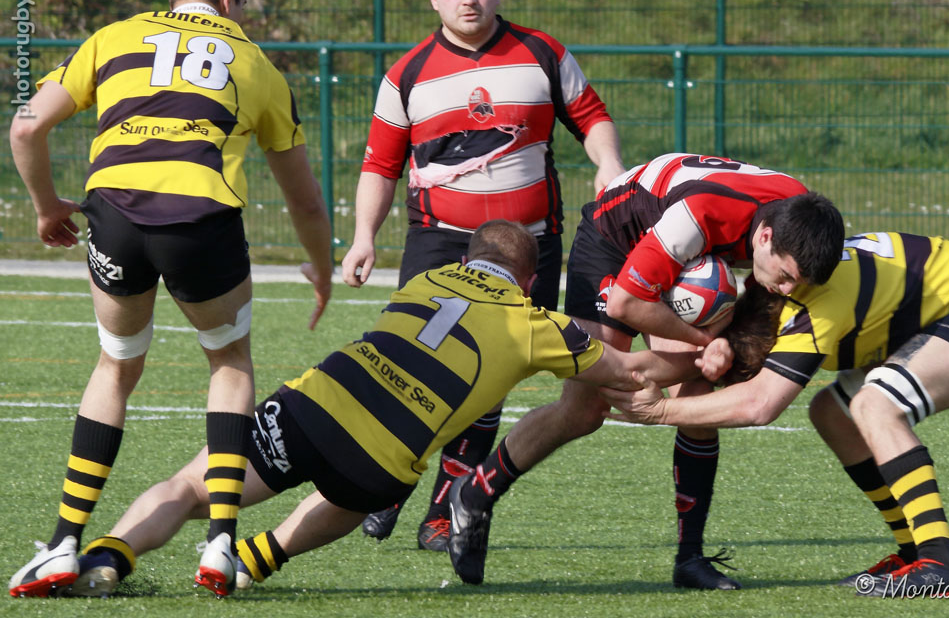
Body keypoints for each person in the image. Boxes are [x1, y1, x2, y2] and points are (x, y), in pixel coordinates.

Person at [52, 220, 720, 597]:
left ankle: (110, 553)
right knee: (352, 494)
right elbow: (630, 372)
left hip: (318, 403)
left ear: (470, 259)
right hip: (380, 464)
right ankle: (257, 557)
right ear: (528, 280)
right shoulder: (534, 322)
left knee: (191, 486)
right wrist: (708, 353)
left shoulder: (426, 278)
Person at [7, 0, 333, 599]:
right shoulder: (256, 63)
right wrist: (321, 268)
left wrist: (46, 208)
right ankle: (220, 541)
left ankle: (63, 543)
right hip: (199, 222)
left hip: (115, 216)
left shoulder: (113, 37)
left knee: (116, 365)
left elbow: (25, 128)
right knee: (229, 362)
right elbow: (303, 199)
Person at [446, 152, 844, 588]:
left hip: (686, 256)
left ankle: (690, 558)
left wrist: (722, 346)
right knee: (584, 409)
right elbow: (627, 303)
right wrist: (707, 340)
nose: (786, 290)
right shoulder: (702, 214)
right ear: (765, 237)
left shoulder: (800, 216)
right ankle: (477, 490)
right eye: (784, 276)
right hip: (613, 241)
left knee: (699, 399)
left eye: (796, 282)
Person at [342, 0, 625, 552]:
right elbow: (379, 166)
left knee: (489, 377)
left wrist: (608, 163)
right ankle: (389, 485)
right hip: (439, 241)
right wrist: (364, 237)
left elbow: (592, 117)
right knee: (413, 365)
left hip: (529, 246)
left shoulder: (543, 53)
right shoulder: (406, 75)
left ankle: (442, 513)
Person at [604, 231, 949, 598]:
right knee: (833, 414)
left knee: (876, 405)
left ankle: (943, 565)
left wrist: (659, 410)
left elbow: (759, 405)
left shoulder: (807, 312)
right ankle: (914, 551)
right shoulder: (773, 290)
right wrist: (608, 376)